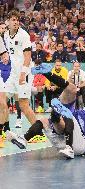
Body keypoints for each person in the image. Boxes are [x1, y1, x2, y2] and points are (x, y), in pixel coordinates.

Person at [1, 10, 46, 144]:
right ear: (8, 21)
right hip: (12, 74)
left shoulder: (24, 35)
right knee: (2, 99)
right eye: (13, 19)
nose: (15, 22)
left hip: (23, 74)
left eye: (17, 20)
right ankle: (3, 131)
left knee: (24, 105)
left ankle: (39, 133)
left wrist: (22, 74)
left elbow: (27, 57)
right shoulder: (6, 34)